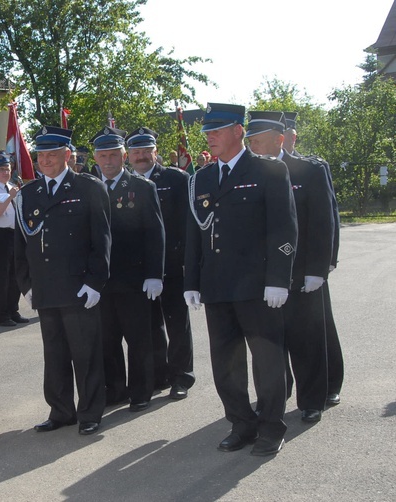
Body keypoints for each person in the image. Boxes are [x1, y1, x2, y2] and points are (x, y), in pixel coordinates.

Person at [184, 103, 297, 456]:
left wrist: (279, 278)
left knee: (267, 361)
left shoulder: (268, 170)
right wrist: (191, 280)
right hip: (217, 285)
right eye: (207, 132)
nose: (210, 137)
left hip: (258, 286)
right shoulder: (200, 178)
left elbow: (284, 227)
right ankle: (241, 423)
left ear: (238, 131)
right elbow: (193, 234)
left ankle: (270, 427)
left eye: (217, 130)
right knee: (225, 362)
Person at [15, 126, 111, 436]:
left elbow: (102, 239)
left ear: (67, 155)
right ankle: (61, 410)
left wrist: (96, 281)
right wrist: (26, 285)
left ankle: (90, 412)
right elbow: (21, 244)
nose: (45, 160)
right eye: (41, 155)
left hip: (78, 288)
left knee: (86, 354)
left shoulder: (88, 188)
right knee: (54, 354)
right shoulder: (29, 194)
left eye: (52, 155)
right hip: (44, 287)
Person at [245, 111, 334, 423]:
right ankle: (273, 397)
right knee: (266, 345)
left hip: (299, 272)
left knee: (306, 340)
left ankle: (312, 400)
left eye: (258, 141)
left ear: (279, 140)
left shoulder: (307, 170)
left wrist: (318, 270)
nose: (253, 147)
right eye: (250, 141)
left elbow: (323, 223)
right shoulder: (247, 171)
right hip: (262, 275)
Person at [91, 127, 165, 412]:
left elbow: (155, 233)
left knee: (138, 340)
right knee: (107, 341)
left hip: (135, 279)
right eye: (103, 156)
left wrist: (154, 274)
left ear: (124, 156)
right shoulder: (89, 187)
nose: (108, 161)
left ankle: (141, 391)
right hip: (101, 280)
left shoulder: (143, 188)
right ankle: (116, 390)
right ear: (96, 158)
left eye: (113, 155)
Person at [126, 127, 195, 399]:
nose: (141, 156)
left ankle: (181, 376)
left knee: (177, 323)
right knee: (150, 325)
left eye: (146, 151)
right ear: (128, 155)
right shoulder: (124, 182)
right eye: (136, 152)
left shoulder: (175, 179)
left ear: (156, 152)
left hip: (172, 264)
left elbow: (188, 224)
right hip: (139, 268)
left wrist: (190, 262)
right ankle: (159, 374)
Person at [284, 111, 344, 407]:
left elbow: (328, 216)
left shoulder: (311, 168)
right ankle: (281, 389)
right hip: (280, 268)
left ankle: (330, 382)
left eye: (286, 135)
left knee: (319, 328)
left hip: (310, 263)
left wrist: (326, 261)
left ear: (293, 138)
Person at [0, 153, 28, 327]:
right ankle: (2, 315)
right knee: (2, 277)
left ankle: (13, 310)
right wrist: (10, 197)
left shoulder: (12, 186)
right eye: (1, 169)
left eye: (7, 168)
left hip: (15, 234)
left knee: (15, 275)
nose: (5, 172)